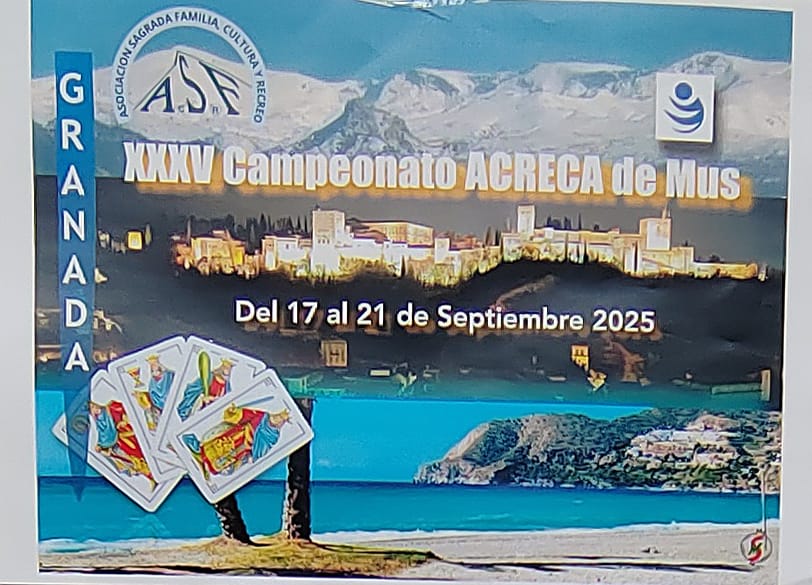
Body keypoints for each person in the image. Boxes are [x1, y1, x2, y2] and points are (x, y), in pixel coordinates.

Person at [89, 400, 156, 487]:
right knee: (133, 462)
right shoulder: (99, 422)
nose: (94, 408)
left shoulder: (111, 407)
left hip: (128, 435)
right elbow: (104, 435)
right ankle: (150, 477)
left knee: (141, 455)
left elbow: (127, 411)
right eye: (91, 408)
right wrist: (100, 445)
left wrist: (125, 420)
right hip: (119, 443)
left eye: (93, 405)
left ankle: (154, 473)